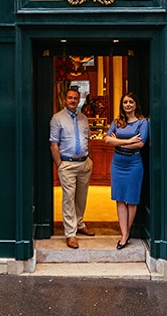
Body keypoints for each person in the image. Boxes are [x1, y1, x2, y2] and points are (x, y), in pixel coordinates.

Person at [50, 87, 95, 249]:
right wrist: (60, 165)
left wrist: (90, 159)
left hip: (84, 163)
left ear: (79, 100)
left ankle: (80, 223)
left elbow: (88, 139)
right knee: (69, 198)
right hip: (67, 164)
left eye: (75, 98)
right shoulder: (57, 118)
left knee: (81, 197)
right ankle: (70, 233)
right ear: (65, 100)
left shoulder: (84, 118)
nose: (73, 100)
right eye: (70, 98)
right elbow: (54, 144)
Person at [105, 92, 149, 250]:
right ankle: (124, 233)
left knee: (131, 200)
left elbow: (140, 144)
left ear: (136, 104)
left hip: (134, 163)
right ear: (122, 105)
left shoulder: (142, 123)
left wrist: (119, 143)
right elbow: (107, 139)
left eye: (131, 102)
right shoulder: (117, 122)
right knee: (119, 198)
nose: (128, 105)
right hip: (117, 163)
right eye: (125, 102)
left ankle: (126, 234)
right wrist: (128, 140)